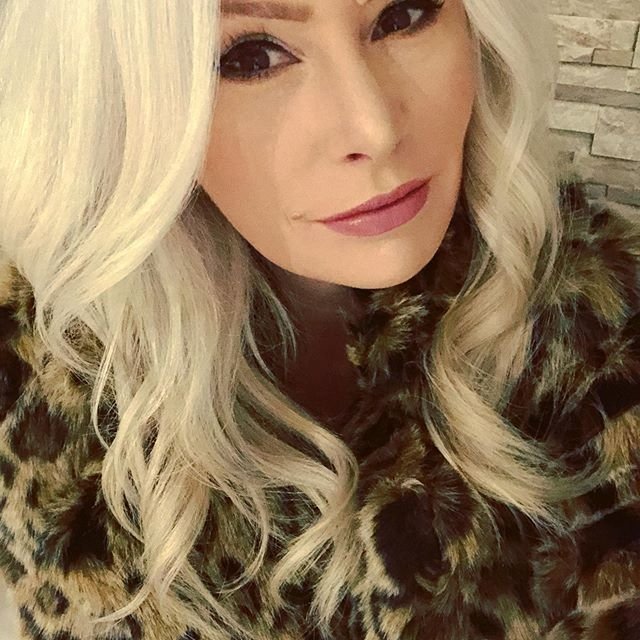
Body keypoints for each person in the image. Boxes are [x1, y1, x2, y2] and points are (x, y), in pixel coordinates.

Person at [0, 0, 638, 638]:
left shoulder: (612, 352)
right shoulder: (30, 368)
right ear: (121, 106)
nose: (373, 127)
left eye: (404, 14)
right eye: (250, 57)